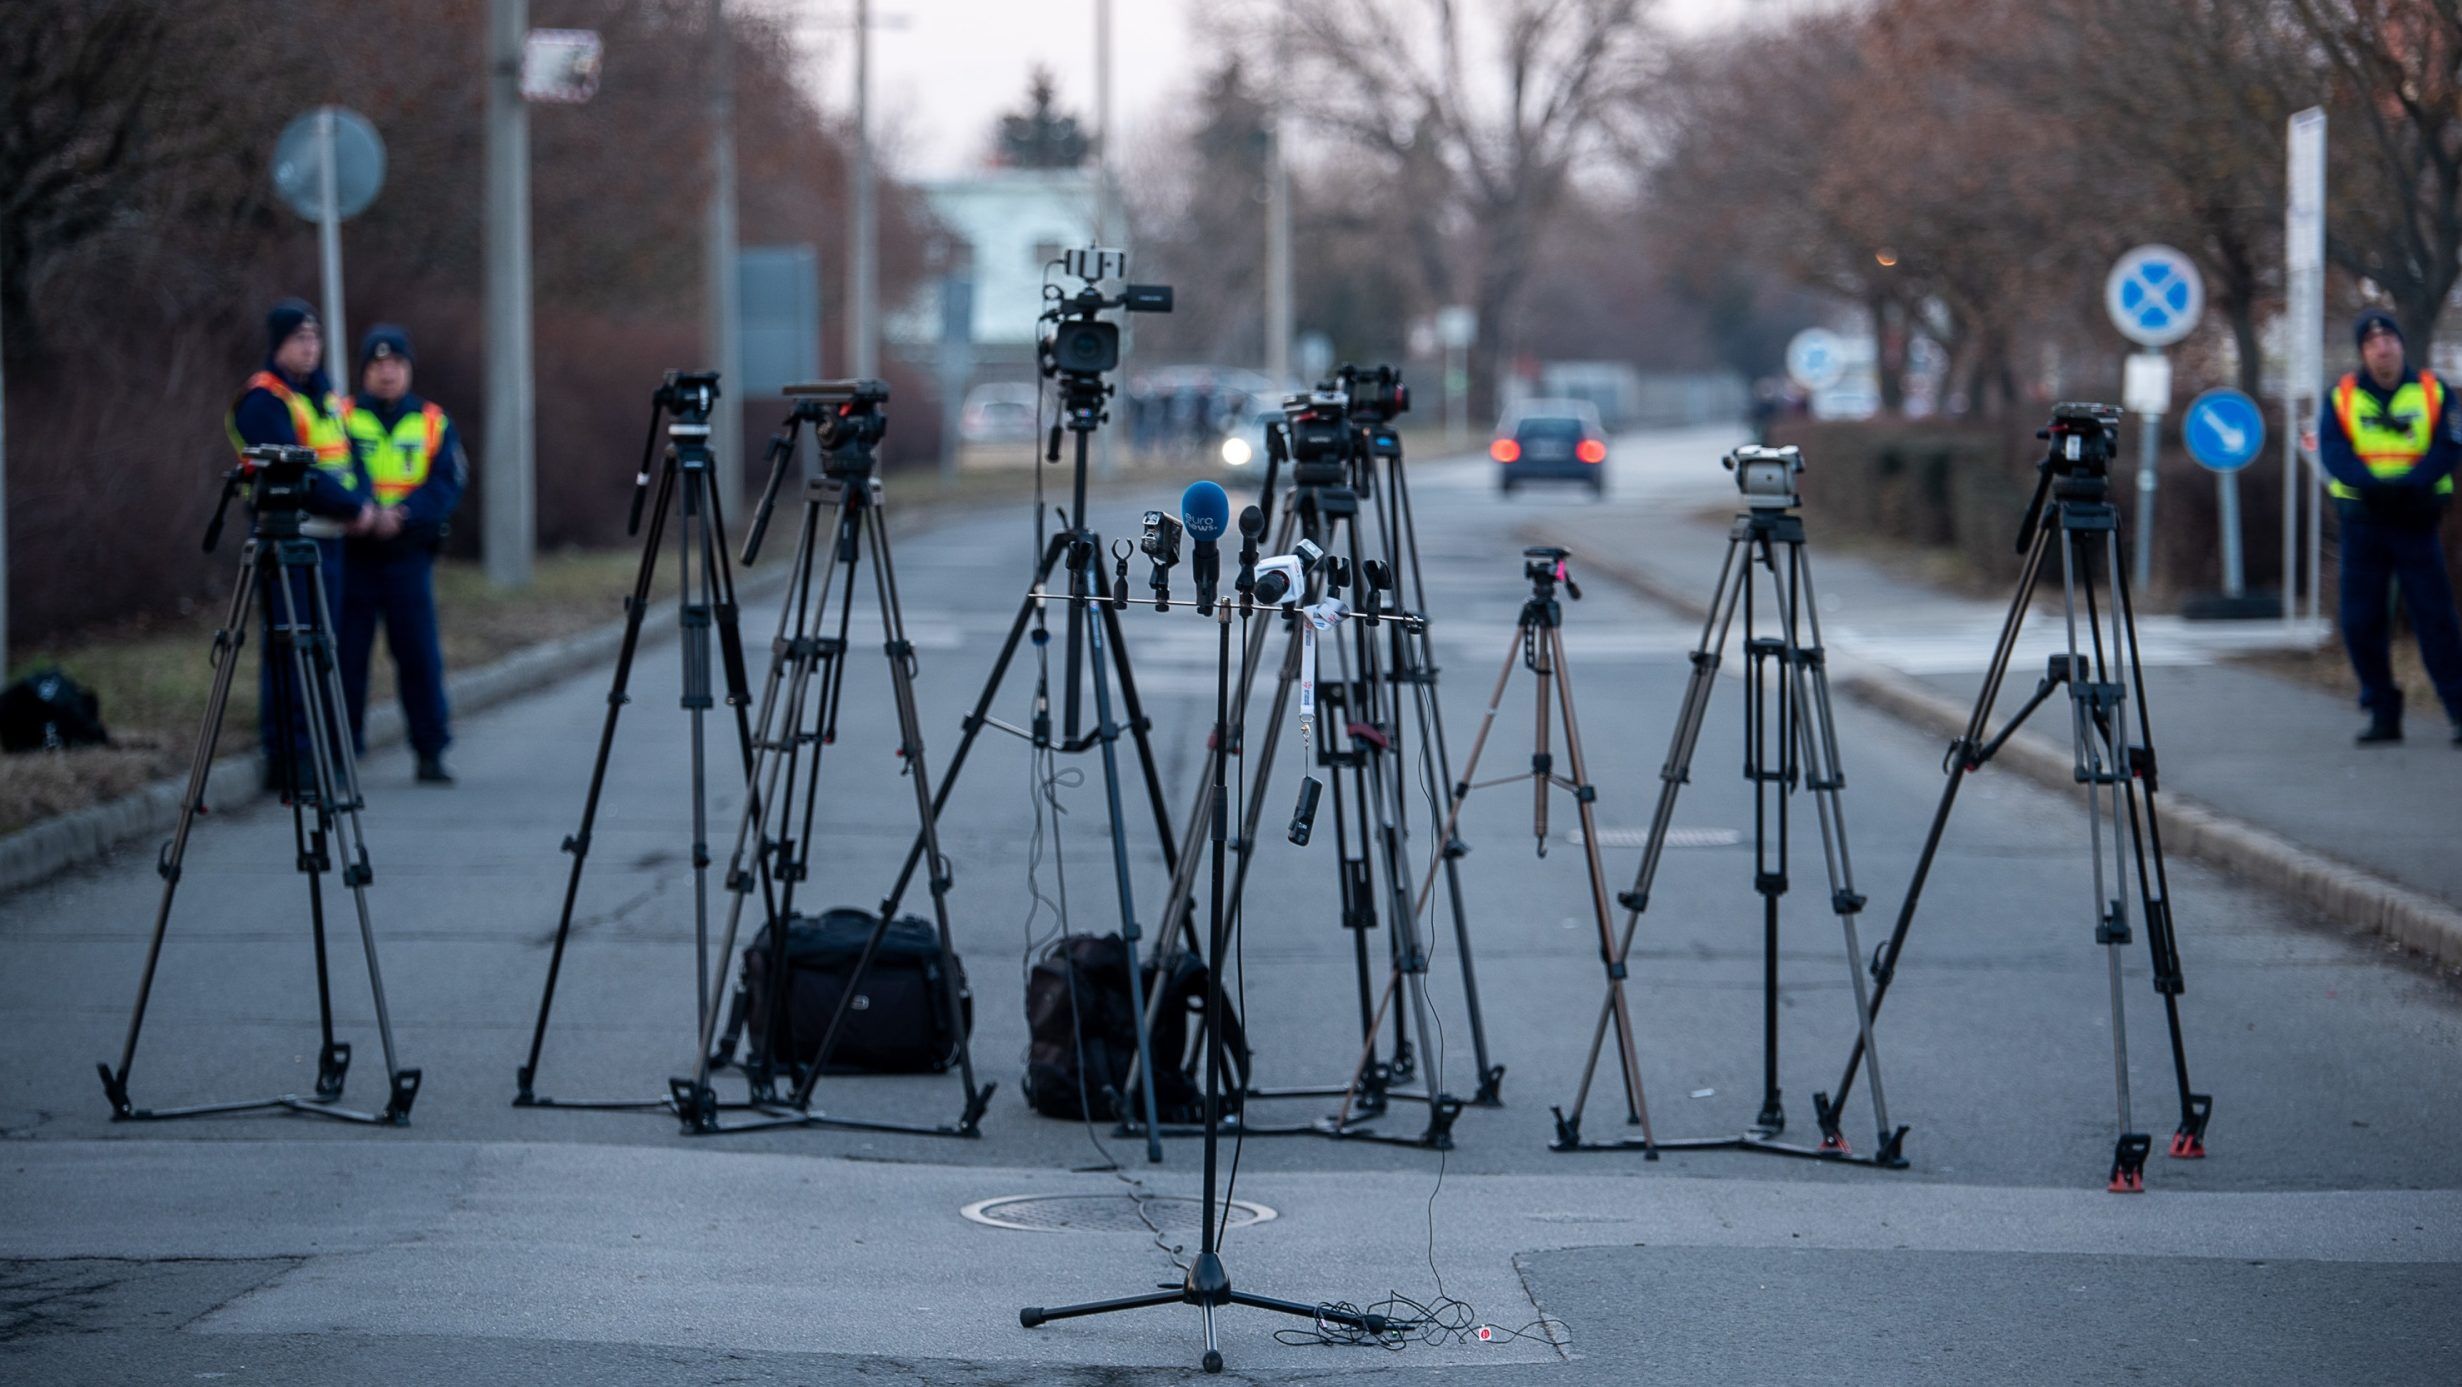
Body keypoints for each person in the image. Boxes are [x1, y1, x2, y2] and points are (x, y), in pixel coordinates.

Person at [226, 299, 376, 790]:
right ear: (278, 344)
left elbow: (350, 459)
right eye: (299, 338)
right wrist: (355, 509)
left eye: (315, 338)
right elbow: (299, 473)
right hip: (288, 541)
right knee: (292, 649)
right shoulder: (264, 400)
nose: (310, 347)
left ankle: (321, 750)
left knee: (321, 650)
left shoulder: (324, 396)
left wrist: (364, 501)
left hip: (329, 543)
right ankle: (291, 757)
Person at [2315, 308, 2462, 745]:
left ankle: (2458, 710)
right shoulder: (2341, 397)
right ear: (2363, 352)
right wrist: (2373, 487)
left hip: (2416, 522)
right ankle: (2382, 711)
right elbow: (2333, 451)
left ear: (2401, 345)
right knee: (2360, 623)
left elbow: (2450, 444)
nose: (2384, 348)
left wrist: (2410, 485)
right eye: (2373, 342)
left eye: (2390, 340)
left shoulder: (2435, 392)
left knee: (2435, 620)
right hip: (2364, 523)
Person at [339, 325, 467, 784]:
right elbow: (338, 469)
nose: (387, 372)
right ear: (365, 370)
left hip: (408, 554)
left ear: (409, 368)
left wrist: (405, 514)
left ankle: (430, 751)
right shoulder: (343, 417)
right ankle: (343, 752)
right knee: (347, 656)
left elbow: (447, 484)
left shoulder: (433, 421)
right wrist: (367, 511)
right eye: (377, 364)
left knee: (418, 656)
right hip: (354, 553)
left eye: (396, 364)